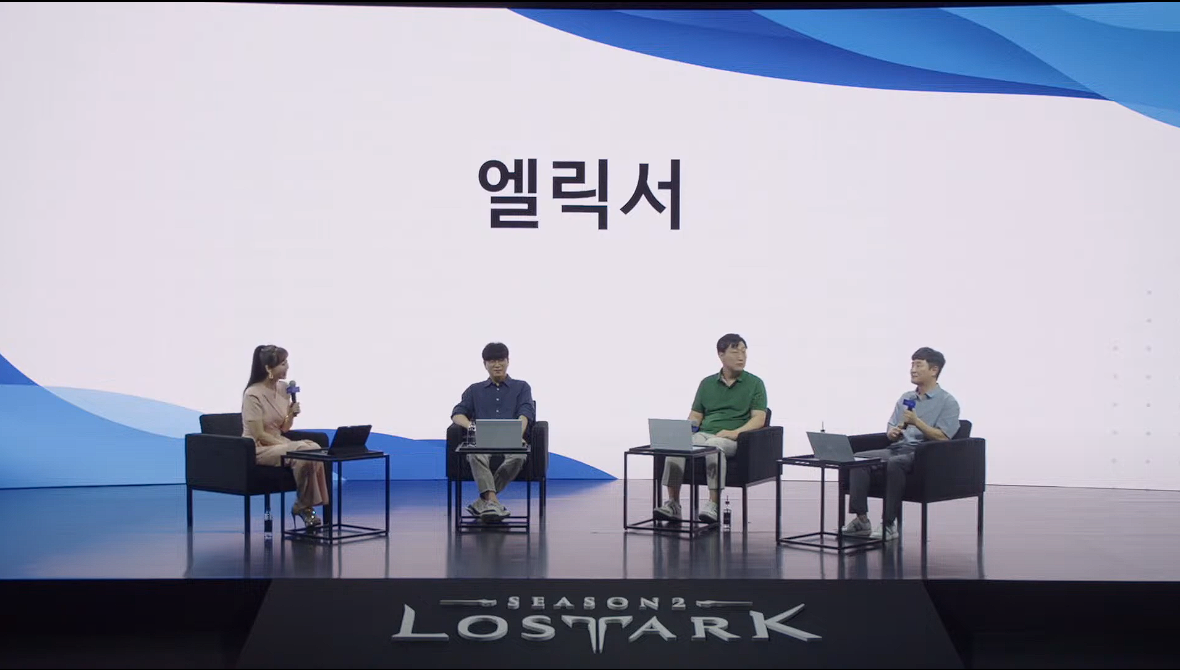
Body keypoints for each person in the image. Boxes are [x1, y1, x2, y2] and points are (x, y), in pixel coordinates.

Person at [843, 347, 961, 541]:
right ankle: (861, 519)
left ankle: (889, 524)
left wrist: (917, 422)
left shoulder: (948, 402)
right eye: (912, 365)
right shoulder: (906, 398)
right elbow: (891, 427)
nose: (913, 370)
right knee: (859, 460)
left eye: (918, 365)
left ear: (934, 370)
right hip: (897, 448)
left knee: (895, 463)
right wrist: (892, 432)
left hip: (923, 454)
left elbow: (944, 438)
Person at [655, 334, 768, 524]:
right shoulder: (707, 383)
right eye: (735, 352)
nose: (741, 357)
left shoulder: (755, 383)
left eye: (744, 352)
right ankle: (673, 504)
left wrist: (735, 433)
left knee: (714, 446)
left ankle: (713, 504)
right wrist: (682, 434)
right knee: (677, 447)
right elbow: (695, 416)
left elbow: (759, 419)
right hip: (704, 433)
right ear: (721, 354)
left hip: (733, 439)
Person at [241, 344, 329, 529]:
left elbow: (285, 428)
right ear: (268, 368)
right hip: (259, 447)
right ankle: (304, 507)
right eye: (282, 364)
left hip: (279, 441)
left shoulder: (284, 388)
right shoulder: (252, 394)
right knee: (302, 451)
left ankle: (302, 504)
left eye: (286, 362)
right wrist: (289, 446)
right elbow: (259, 434)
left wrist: (291, 414)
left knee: (314, 448)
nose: (287, 367)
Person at [450, 342, 536, 523]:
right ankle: (494, 502)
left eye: (500, 360)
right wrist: (473, 428)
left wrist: (516, 435)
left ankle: (484, 502)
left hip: (512, 440)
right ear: (485, 364)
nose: (497, 365)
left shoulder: (522, 387)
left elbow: (525, 413)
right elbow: (457, 414)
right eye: (492, 361)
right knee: (475, 454)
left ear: (508, 361)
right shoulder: (474, 390)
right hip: (483, 440)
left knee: (518, 457)